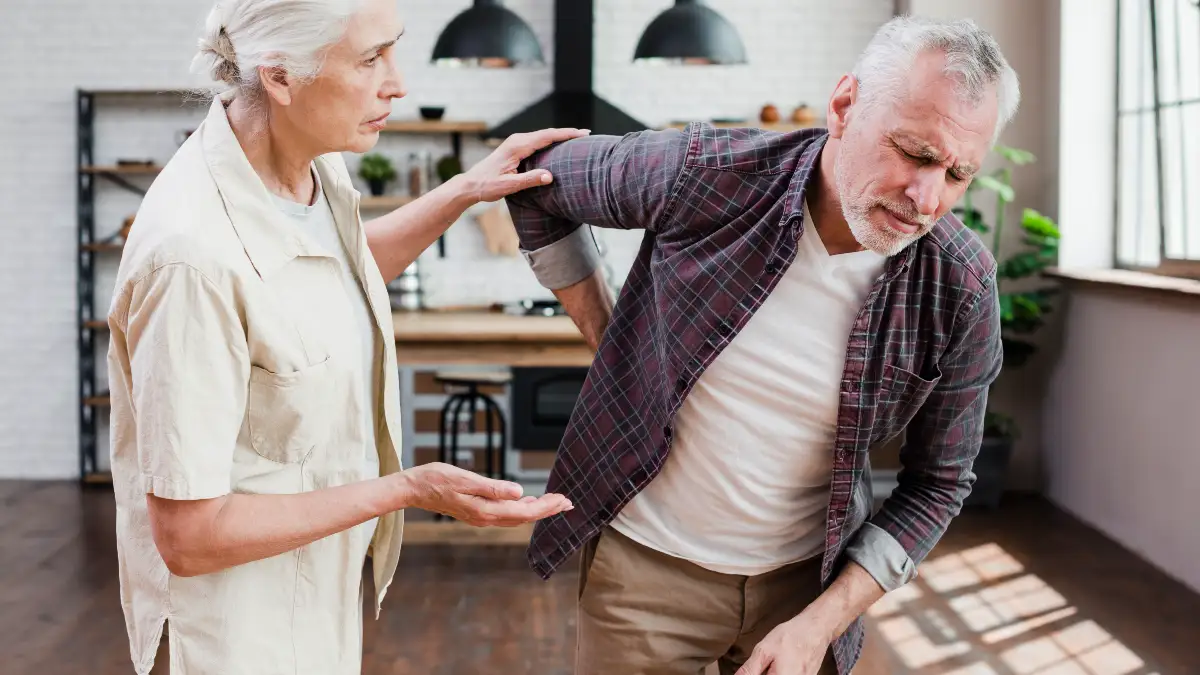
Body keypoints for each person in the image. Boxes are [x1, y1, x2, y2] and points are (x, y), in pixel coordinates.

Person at [504, 15, 1020, 675]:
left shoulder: (961, 284)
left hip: (806, 589)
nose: (927, 198)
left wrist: (819, 624)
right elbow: (533, 179)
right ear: (844, 106)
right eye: (914, 153)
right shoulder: (707, 173)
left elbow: (938, 484)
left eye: (957, 174)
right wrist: (610, 341)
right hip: (643, 573)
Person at [105, 0, 583, 673]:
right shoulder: (190, 259)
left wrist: (464, 190)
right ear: (280, 77)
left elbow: (335, 273)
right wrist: (406, 489)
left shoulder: (310, 168)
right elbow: (189, 536)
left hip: (312, 601)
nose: (397, 83)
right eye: (370, 59)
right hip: (232, 635)